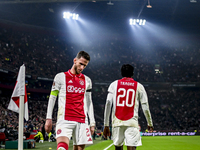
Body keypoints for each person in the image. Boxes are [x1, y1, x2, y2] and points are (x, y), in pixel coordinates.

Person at [45, 51, 95, 150]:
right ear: (75, 60)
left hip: (82, 120)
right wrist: (48, 118)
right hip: (65, 118)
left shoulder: (87, 80)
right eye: (81, 64)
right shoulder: (60, 77)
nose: (82, 68)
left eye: (84, 66)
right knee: (62, 148)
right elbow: (52, 97)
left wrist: (92, 123)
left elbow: (89, 102)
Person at [103, 64, 153, 150]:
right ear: (133, 73)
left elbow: (108, 103)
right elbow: (145, 106)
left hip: (117, 122)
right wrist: (150, 123)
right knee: (131, 147)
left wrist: (106, 125)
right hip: (132, 122)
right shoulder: (139, 86)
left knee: (118, 147)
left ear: (121, 73)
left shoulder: (114, 84)